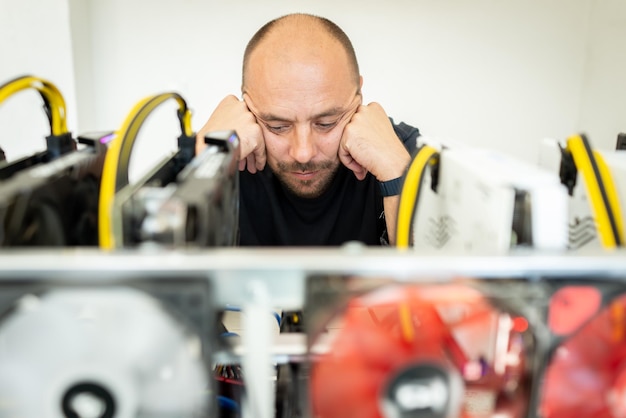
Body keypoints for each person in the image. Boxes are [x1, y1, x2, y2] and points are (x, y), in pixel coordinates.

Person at [196, 13, 420, 246]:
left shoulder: (402, 151)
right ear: (247, 103)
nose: (303, 153)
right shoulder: (220, 150)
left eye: (326, 123)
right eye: (278, 126)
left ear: (358, 95)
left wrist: (398, 173)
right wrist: (205, 155)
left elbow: (440, 277)